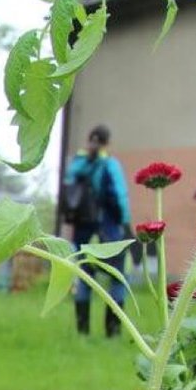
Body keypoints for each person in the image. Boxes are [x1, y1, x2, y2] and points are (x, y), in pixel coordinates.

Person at [62, 124, 131, 337]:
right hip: (109, 230)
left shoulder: (78, 164)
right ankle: (113, 331)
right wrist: (125, 223)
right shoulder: (110, 164)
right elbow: (120, 196)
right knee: (117, 278)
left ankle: (83, 330)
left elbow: (68, 188)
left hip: (82, 231)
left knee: (84, 277)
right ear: (107, 142)